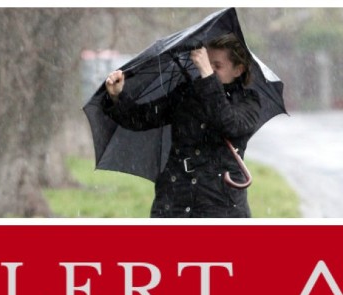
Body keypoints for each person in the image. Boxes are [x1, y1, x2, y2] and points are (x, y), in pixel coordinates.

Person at [103, 34, 262, 218]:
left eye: (216, 66)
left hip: (222, 202)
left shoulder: (248, 101)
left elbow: (230, 124)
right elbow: (141, 118)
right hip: (175, 197)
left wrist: (207, 76)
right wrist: (117, 96)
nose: (208, 69)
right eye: (206, 63)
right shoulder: (187, 93)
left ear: (238, 69)